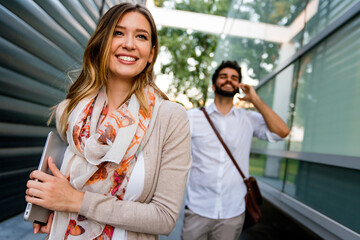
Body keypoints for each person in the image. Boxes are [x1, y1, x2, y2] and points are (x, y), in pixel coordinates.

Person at [25, 3, 191, 240]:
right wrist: (55, 211)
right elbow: (63, 188)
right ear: (103, 42)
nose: (129, 44)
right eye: (118, 33)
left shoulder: (170, 118)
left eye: (141, 36)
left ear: (151, 53)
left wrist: (76, 201)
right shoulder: (71, 111)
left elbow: (164, 217)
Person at [182, 60, 290, 240]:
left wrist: (255, 99)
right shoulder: (191, 117)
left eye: (234, 78)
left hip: (232, 212)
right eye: (223, 76)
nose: (229, 80)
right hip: (197, 209)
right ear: (214, 85)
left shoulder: (248, 118)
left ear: (238, 86)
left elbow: (282, 131)